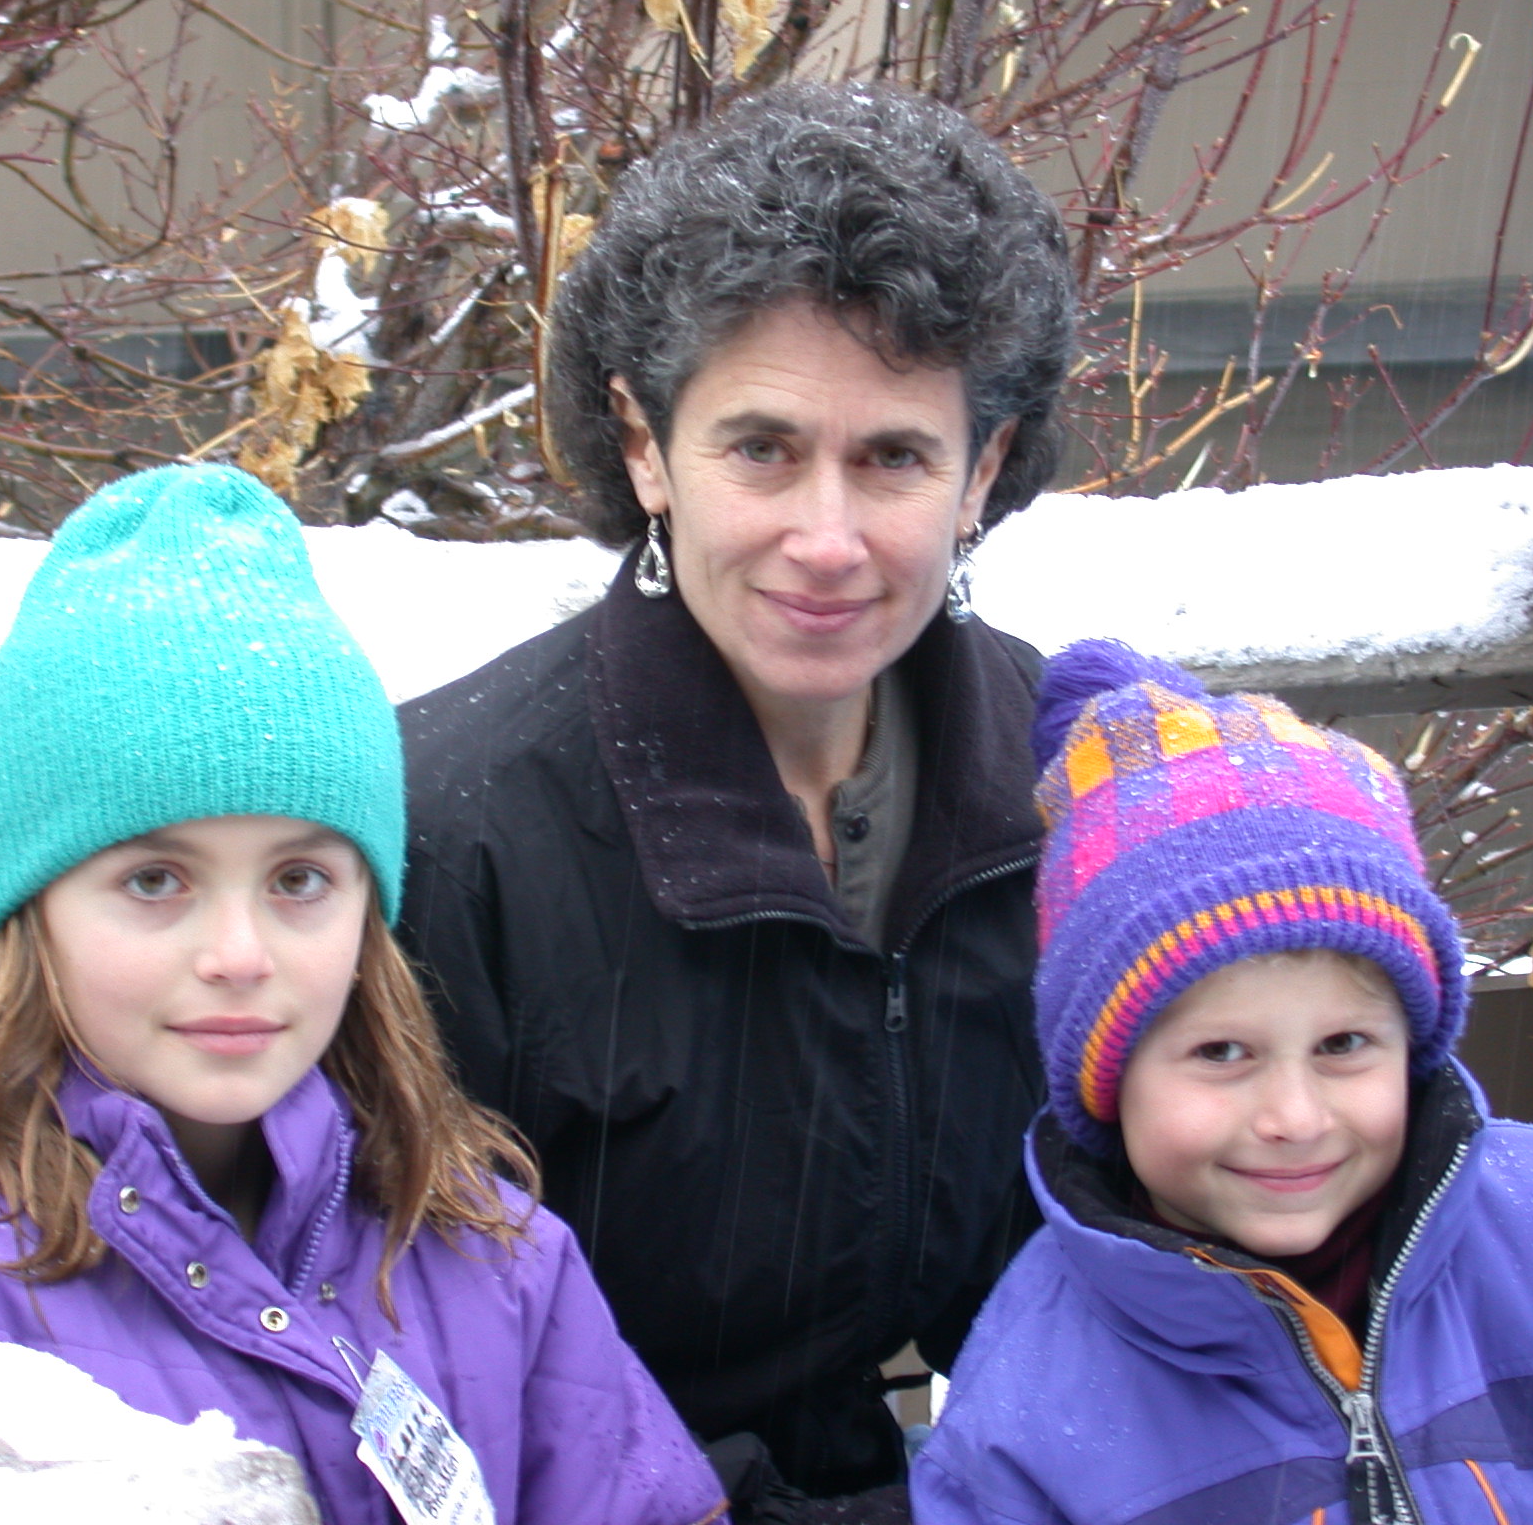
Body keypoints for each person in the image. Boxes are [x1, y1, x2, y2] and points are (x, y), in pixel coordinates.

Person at [396, 83, 1076, 1512]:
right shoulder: (454, 841)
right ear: (644, 443)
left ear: (985, 469)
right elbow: (400, 1369)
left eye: (894, 457)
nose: (825, 540)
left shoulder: (1068, 779)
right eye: (762, 448)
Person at [0, 464, 727, 1525]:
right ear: (33, 916)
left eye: (298, 881)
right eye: (155, 881)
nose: (238, 954)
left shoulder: (497, 1259)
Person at [911, 639, 1533, 1525]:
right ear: (1106, 1081)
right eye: (1221, 1053)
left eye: (1343, 1044)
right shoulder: (1029, 1415)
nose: (1295, 1117)